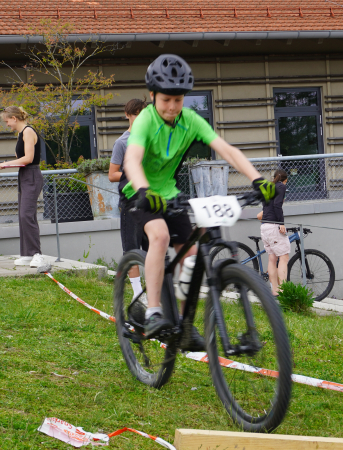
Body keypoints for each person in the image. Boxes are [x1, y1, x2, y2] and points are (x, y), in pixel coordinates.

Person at [122, 54, 277, 347]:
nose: (172, 107)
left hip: (169, 193)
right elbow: (132, 159)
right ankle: (153, 310)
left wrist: (257, 179)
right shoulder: (145, 120)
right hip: (139, 192)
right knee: (160, 236)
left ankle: (183, 323)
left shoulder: (190, 120)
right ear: (152, 95)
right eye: (166, 100)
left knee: (191, 255)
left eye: (178, 100)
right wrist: (143, 190)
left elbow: (227, 150)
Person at [0, 106, 52, 272]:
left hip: (32, 175)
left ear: (14, 118)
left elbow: (28, 158)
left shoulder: (28, 131)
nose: (7, 124)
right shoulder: (21, 134)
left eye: (7, 121)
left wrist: (6, 164)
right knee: (23, 215)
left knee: (26, 215)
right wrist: (11, 163)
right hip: (24, 175)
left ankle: (36, 253)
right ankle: (27, 253)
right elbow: (21, 158)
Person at [109, 98, 148, 299]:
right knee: (132, 249)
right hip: (131, 202)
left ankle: (155, 292)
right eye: (135, 114)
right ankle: (137, 294)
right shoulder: (122, 143)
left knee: (154, 249)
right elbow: (112, 174)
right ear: (127, 115)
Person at [256, 169, 289, 296]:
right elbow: (277, 205)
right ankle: (283, 291)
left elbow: (264, 210)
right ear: (285, 180)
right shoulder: (281, 186)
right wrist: (281, 223)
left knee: (272, 258)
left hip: (264, 227)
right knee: (284, 257)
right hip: (273, 226)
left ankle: (275, 291)